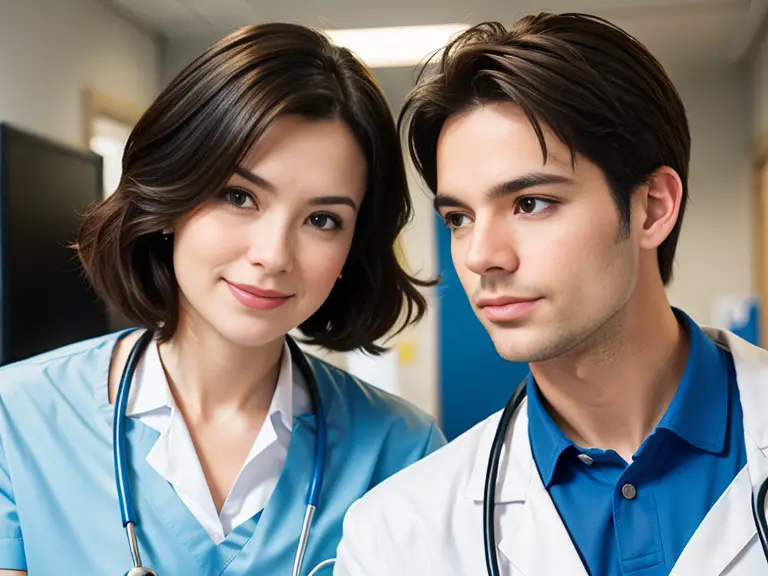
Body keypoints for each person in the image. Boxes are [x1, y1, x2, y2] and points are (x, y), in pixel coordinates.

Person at [0, 23, 446, 576]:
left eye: (322, 219)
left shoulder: (402, 450)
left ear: (353, 250)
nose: (273, 254)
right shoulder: (15, 418)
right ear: (171, 194)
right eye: (239, 196)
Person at [334, 12, 768, 575]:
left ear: (653, 207)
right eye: (459, 217)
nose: (479, 256)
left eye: (530, 203)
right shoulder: (397, 535)